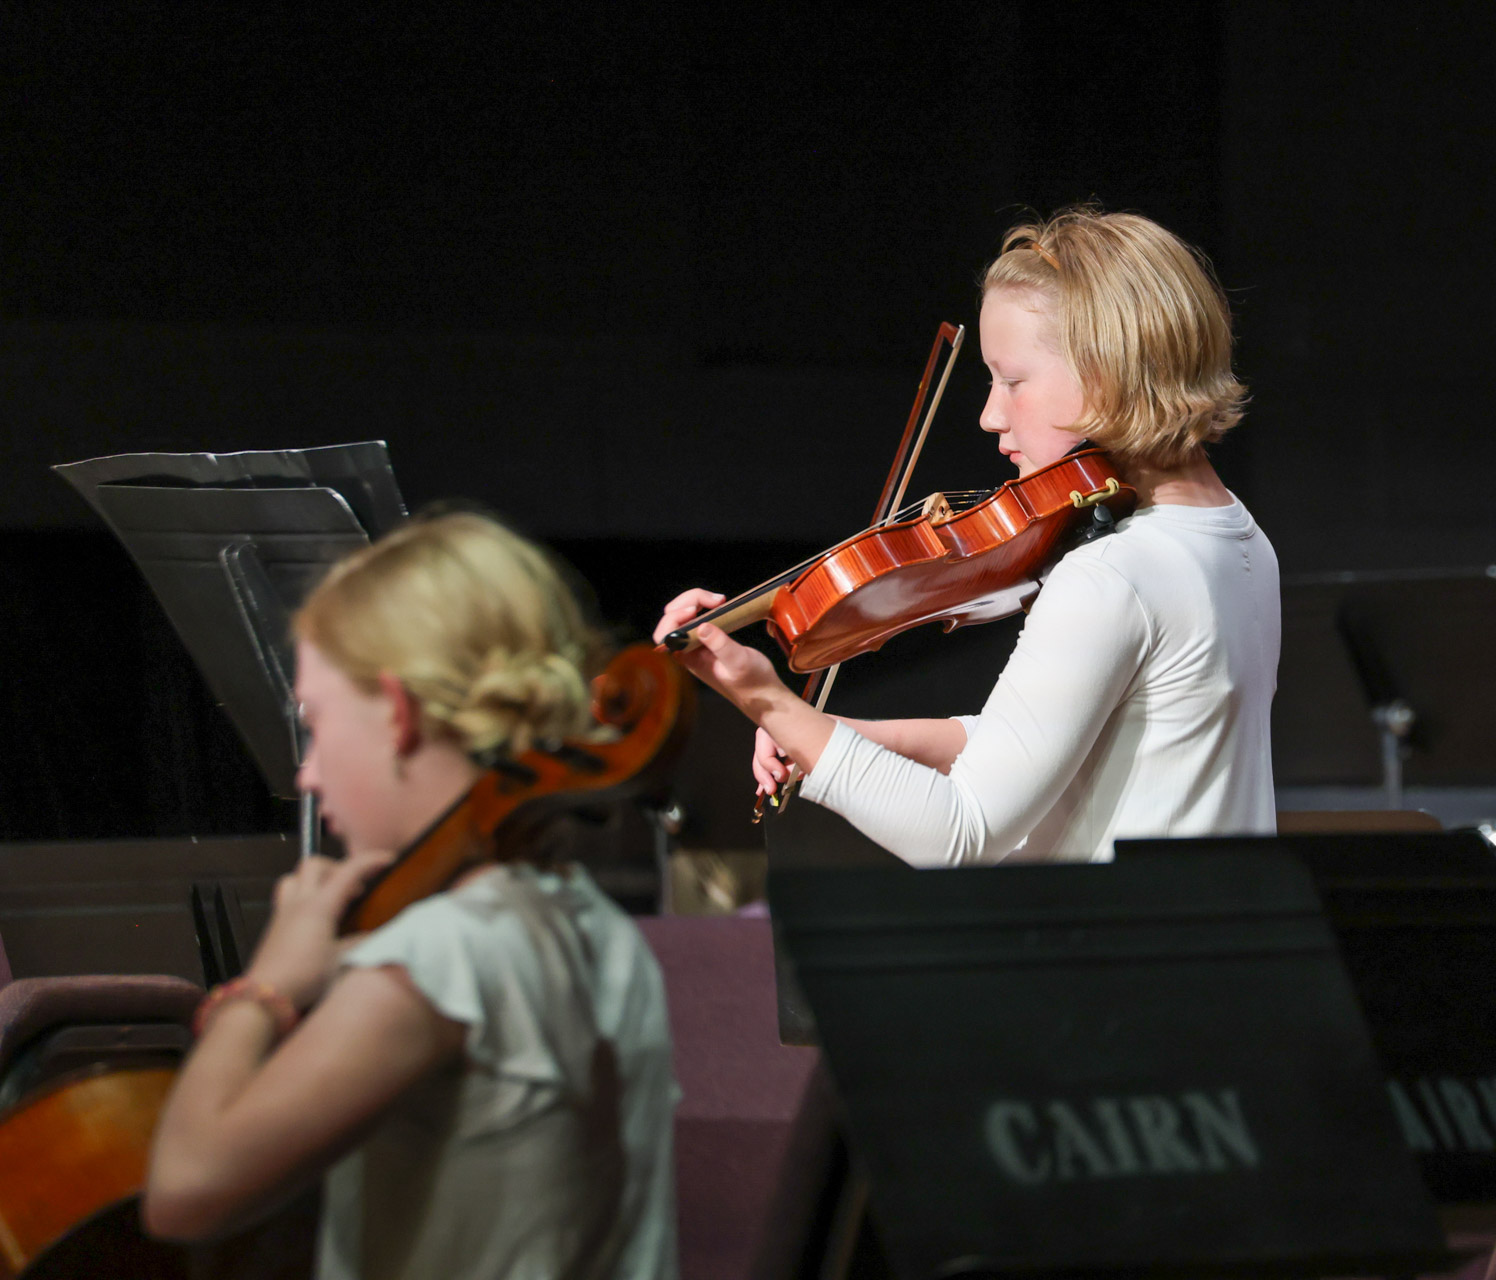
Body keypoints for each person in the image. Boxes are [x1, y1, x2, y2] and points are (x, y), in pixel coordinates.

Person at [654, 207, 1281, 867]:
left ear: (1108, 372)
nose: (989, 415)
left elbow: (961, 832)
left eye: (1013, 380)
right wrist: (836, 734)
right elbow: (1041, 740)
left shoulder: (1111, 578)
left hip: (1111, 933)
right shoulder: (1238, 537)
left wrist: (765, 699)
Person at [144, 511, 679, 1280]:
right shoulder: (598, 928)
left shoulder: (437, 959)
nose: (307, 774)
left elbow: (185, 1191)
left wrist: (264, 989)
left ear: (397, 715)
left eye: (317, 723)